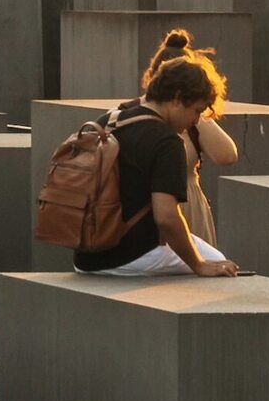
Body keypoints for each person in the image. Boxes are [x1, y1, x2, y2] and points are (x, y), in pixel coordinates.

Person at [73, 36, 239, 278]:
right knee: (219, 263)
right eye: (197, 111)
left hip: (86, 255)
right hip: (131, 256)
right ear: (176, 98)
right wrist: (198, 265)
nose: (196, 121)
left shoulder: (109, 120)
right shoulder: (167, 141)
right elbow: (167, 217)